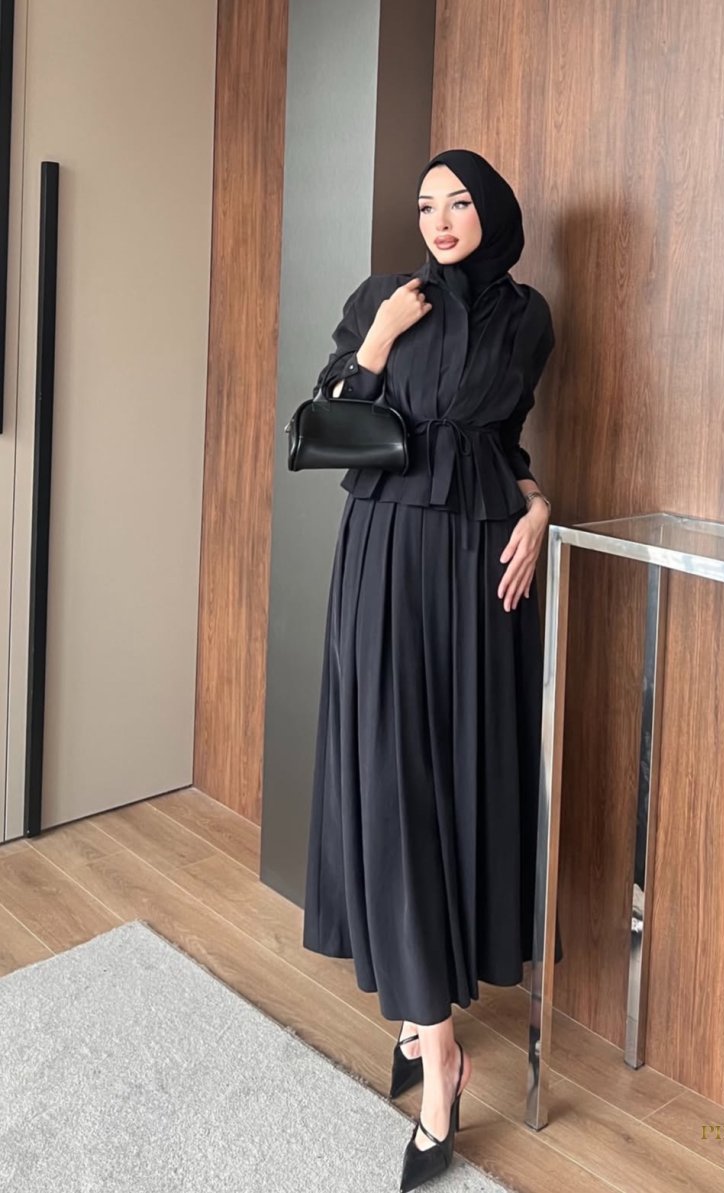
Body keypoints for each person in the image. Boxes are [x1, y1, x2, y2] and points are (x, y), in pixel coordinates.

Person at [301, 148, 563, 1191]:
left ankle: (421, 1021)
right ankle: (440, 1051)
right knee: (393, 782)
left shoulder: (527, 316)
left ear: (491, 211)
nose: (440, 219)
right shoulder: (385, 295)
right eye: (425, 204)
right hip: (384, 557)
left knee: (455, 783)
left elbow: (504, 440)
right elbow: (329, 416)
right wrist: (379, 337)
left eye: (458, 202)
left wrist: (540, 507)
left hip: (482, 565)